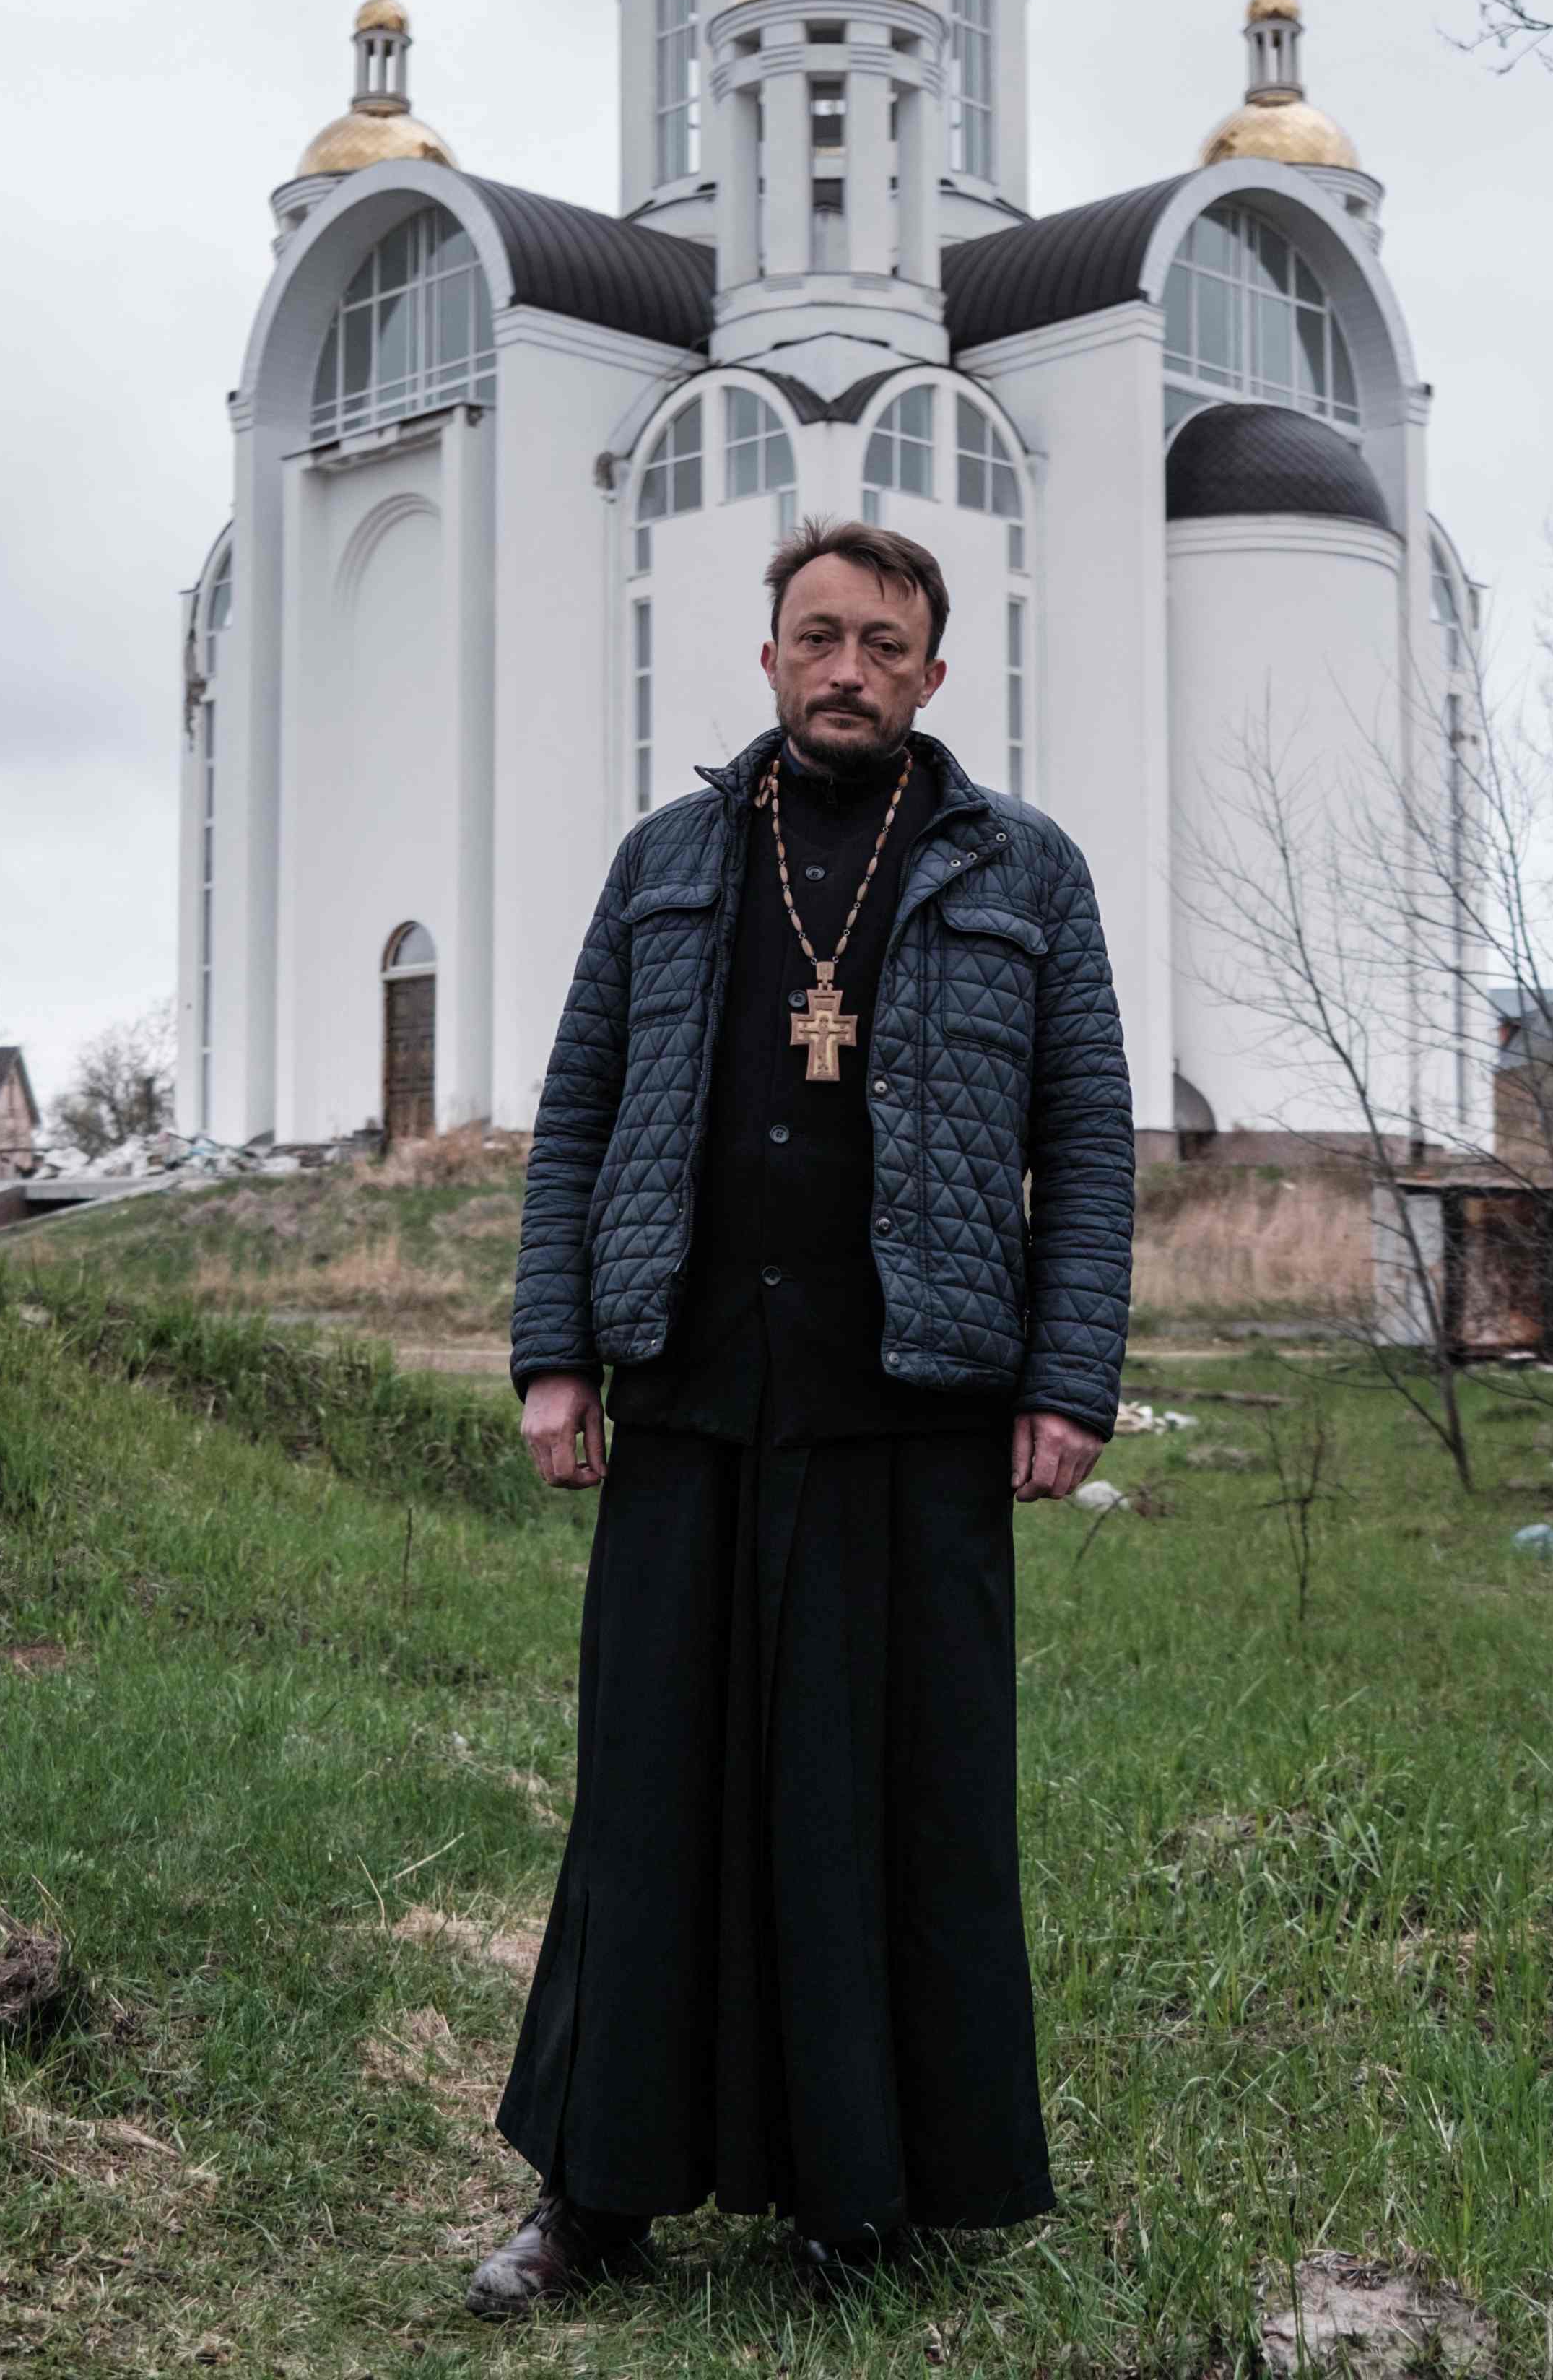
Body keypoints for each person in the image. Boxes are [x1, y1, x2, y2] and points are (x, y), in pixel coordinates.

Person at [471, 516, 1135, 2316]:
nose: (848, 666)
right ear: (766, 656)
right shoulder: (672, 857)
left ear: (935, 669)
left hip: (911, 1403)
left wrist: (1071, 1378)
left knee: (887, 1804)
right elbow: (579, 1115)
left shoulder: (1023, 871)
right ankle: (592, 2196)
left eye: (884, 641)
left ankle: (864, 2200)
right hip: (690, 1391)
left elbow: (1084, 1141)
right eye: (817, 634)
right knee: (649, 1799)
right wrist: (556, 1351)